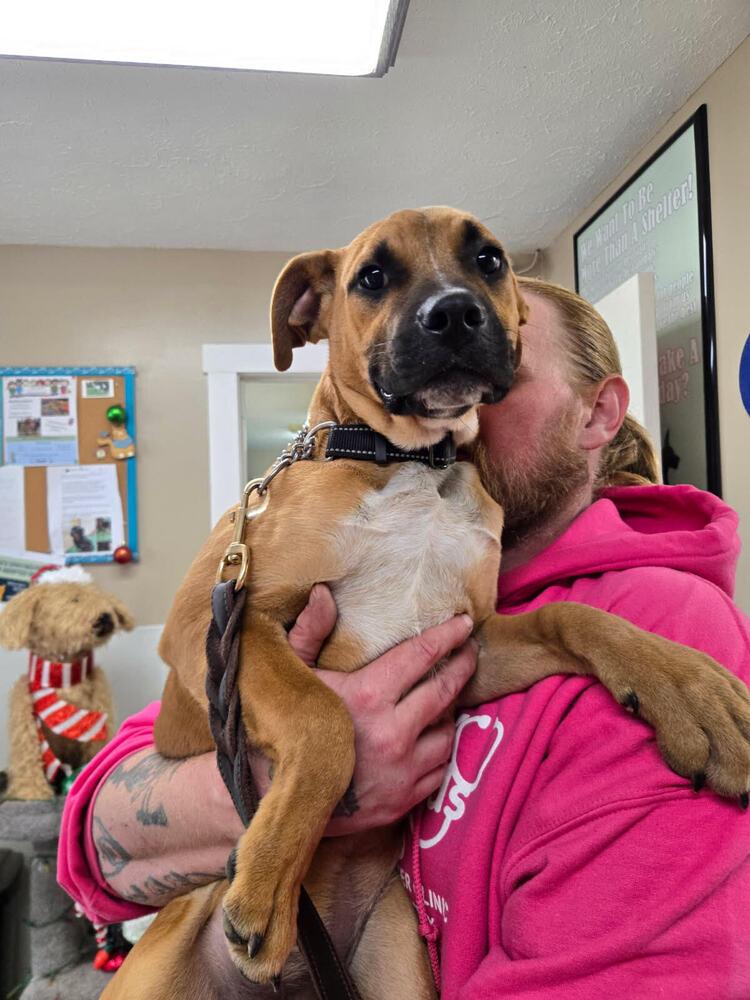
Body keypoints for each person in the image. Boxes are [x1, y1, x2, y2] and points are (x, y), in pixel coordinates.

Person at [58, 278, 750, 998]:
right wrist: (301, 770)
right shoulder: (364, 544)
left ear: (598, 414)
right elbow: (93, 843)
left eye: (496, 373)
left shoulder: (666, 622)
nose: (453, 400)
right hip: (216, 933)